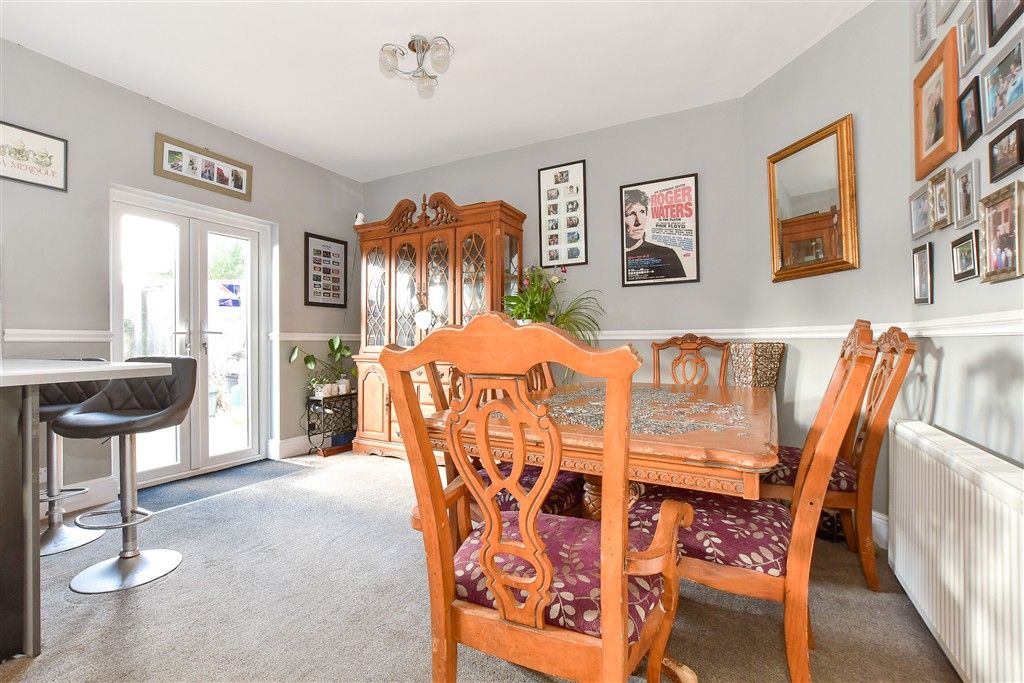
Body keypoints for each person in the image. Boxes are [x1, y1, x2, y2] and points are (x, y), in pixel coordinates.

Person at [622, 188, 686, 281]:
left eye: (642, 212)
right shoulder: (611, 258)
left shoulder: (666, 255)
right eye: (630, 214)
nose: (638, 221)